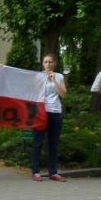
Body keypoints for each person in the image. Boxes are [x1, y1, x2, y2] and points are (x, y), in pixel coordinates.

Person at [31, 53, 68, 182]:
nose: (48, 64)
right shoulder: (38, 77)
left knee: (54, 144)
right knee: (38, 142)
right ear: (42, 63)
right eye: (45, 62)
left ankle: (53, 172)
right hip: (41, 112)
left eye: (50, 62)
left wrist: (54, 81)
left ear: (55, 63)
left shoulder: (59, 76)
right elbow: (33, 94)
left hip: (55, 111)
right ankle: (35, 171)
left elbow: (63, 94)